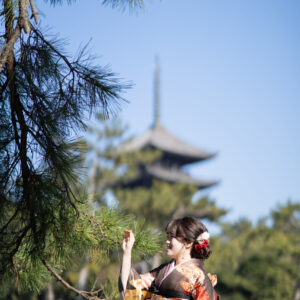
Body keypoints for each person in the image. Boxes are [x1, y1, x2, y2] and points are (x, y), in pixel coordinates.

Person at [119, 216, 219, 300]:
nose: (167, 241)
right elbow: (131, 285)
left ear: (188, 242)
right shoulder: (162, 271)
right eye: (168, 237)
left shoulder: (199, 277)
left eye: (172, 237)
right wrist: (127, 252)